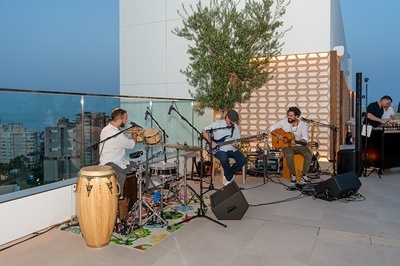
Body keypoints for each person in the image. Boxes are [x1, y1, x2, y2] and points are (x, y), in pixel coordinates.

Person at [99, 108, 142, 189]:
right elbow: (131, 144)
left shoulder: (106, 129)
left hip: (114, 160)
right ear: (119, 120)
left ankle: (132, 193)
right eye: (125, 119)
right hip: (110, 162)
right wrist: (134, 134)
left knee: (138, 167)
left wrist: (129, 131)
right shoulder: (116, 134)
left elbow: (118, 139)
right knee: (121, 175)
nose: (126, 121)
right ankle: (119, 197)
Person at [268, 106, 312, 186]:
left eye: (291, 116)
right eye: (288, 115)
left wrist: (296, 141)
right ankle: (293, 175)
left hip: (299, 146)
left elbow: (305, 140)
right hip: (287, 146)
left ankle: (304, 175)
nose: (289, 117)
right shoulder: (284, 121)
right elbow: (271, 127)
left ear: (297, 116)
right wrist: (277, 135)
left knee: (308, 154)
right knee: (289, 154)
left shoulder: (303, 126)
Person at [202, 110, 247, 186]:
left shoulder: (235, 127)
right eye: (231, 121)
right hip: (219, 150)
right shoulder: (218, 124)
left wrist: (236, 145)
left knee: (243, 159)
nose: (232, 123)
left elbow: (238, 144)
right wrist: (211, 142)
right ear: (227, 118)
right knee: (224, 158)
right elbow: (204, 131)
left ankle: (228, 174)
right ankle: (229, 176)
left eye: (234, 121)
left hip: (232, 149)